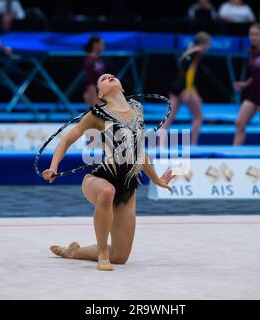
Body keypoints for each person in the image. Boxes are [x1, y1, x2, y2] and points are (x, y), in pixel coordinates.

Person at [44, 73, 175, 271]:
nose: (109, 77)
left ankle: (72, 252)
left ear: (122, 88)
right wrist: (54, 167)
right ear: (101, 93)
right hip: (101, 179)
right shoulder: (97, 114)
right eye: (103, 79)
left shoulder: (137, 109)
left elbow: (138, 152)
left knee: (120, 257)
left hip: (128, 188)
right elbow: (66, 140)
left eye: (111, 76)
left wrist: (156, 180)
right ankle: (102, 253)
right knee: (107, 192)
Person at [160, 31, 211, 146]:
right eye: (209, 43)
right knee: (199, 117)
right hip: (184, 87)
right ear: (204, 43)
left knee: (169, 117)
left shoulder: (189, 50)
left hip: (176, 86)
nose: (210, 46)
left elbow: (183, 70)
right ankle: (193, 144)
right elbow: (190, 72)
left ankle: (160, 145)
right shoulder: (199, 51)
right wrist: (189, 90)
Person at [83, 36, 105, 110]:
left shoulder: (100, 61)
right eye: (101, 44)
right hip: (92, 94)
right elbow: (90, 82)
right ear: (95, 44)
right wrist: (94, 100)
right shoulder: (89, 61)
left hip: (100, 94)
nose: (103, 47)